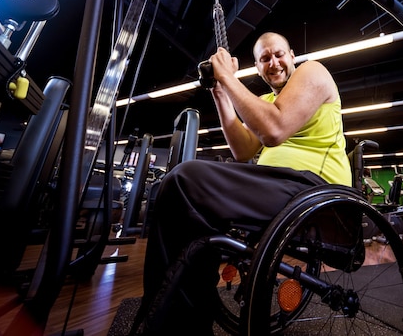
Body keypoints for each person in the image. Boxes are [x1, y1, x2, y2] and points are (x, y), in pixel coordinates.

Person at [134, 32, 352, 335]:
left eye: (278, 54)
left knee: (184, 180)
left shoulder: (313, 71)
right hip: (279, 189)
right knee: (188, 200)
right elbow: (243, 149)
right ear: (259, 67)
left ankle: (174, 327)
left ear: (292, 55)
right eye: (264, 59)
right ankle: (183, 322)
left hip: (314, 191)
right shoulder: (265, 101)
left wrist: (227, 76)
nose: (273, 63)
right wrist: (220, 91)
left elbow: (274, 129)